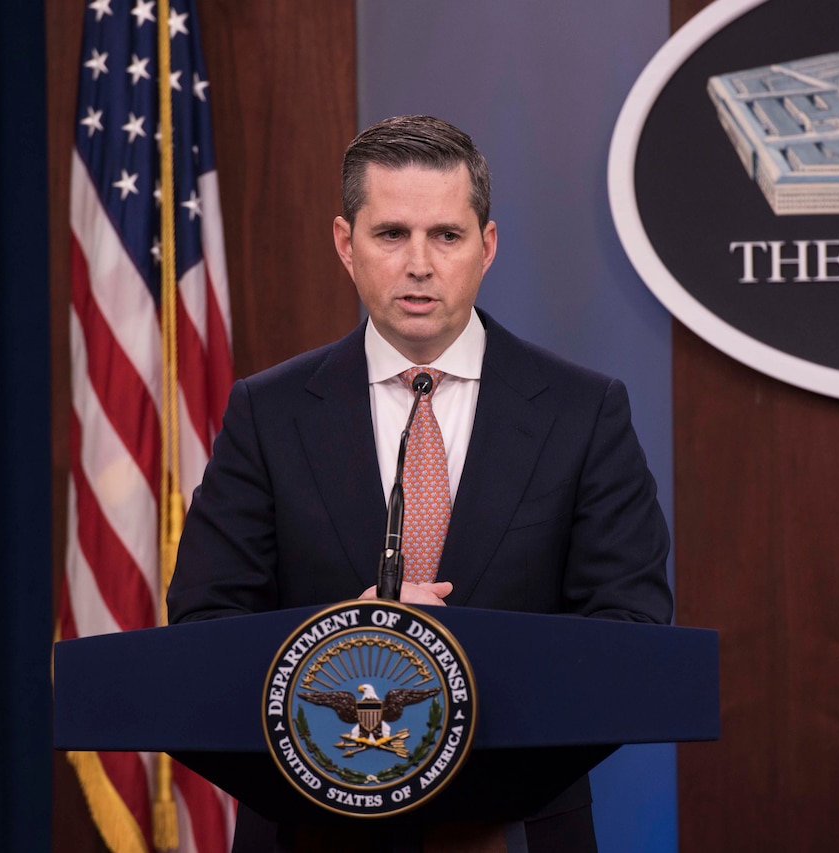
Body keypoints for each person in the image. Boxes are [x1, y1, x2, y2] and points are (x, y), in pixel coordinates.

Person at [168, 115, 673, 851]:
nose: (419, 264)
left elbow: (629, 632)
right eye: (391, 234)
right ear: (346, 245)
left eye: (446, 235)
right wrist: (349, 634)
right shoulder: (267, 412)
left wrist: (453, 667)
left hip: (515, 828)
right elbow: (203, 629)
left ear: (486, 247)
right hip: (312, 829)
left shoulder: (582, 411)